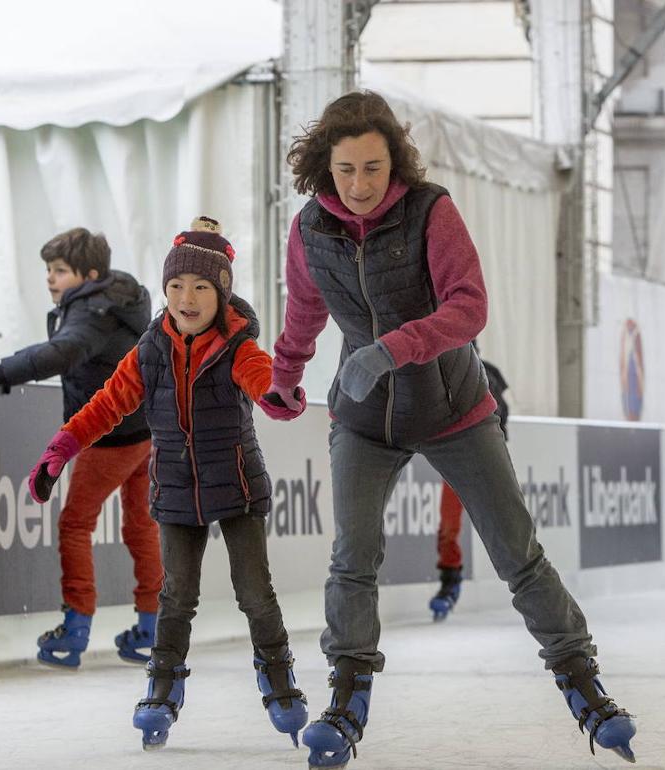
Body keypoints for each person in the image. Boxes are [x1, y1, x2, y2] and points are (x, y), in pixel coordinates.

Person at [267, 91, 637, 766]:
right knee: (353, 556)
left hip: (453, 408)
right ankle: (347, 696)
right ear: (325, 165)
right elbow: (304, 311)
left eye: (373, 168)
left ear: (394, 162)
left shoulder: (430, 211)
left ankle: (583, 682)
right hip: (364, 418)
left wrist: (391, 348)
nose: (359, 185)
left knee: (515, 551)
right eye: (346, 169)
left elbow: (469, 308)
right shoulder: (308, 229)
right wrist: (285, 373)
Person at [26, 218, 308, 751]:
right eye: (177, 286)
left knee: (256, 594)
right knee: (176, 596)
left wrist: (281, 395)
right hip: (177, 490)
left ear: (222, 293)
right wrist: (61, 448)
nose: (187, 297)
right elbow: (109, 403)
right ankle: (162, 686)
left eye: (202, 287)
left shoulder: (237, 345)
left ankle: (278, 676)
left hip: (237, 487)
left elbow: (264, 380)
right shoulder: (151, 348)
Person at [0, 227, 161, 669]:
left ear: (89, 274)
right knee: (141, 526)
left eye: (59, 270)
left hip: (110, 435)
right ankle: (152, 626)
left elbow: (61, 352)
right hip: (147, 432)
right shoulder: (123, 303)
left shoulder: (92, 311)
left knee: (75, 525)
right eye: (48, 269)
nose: (50, 279)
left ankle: (76, 626)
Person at [430, 354, 509, 621]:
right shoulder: (436, 372)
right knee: (449, 523)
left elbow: (501, 420)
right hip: (456, 459)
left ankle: (529, 583)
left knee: (508, 525)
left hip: (486, 459)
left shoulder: (487, 374)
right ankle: (449, 580)